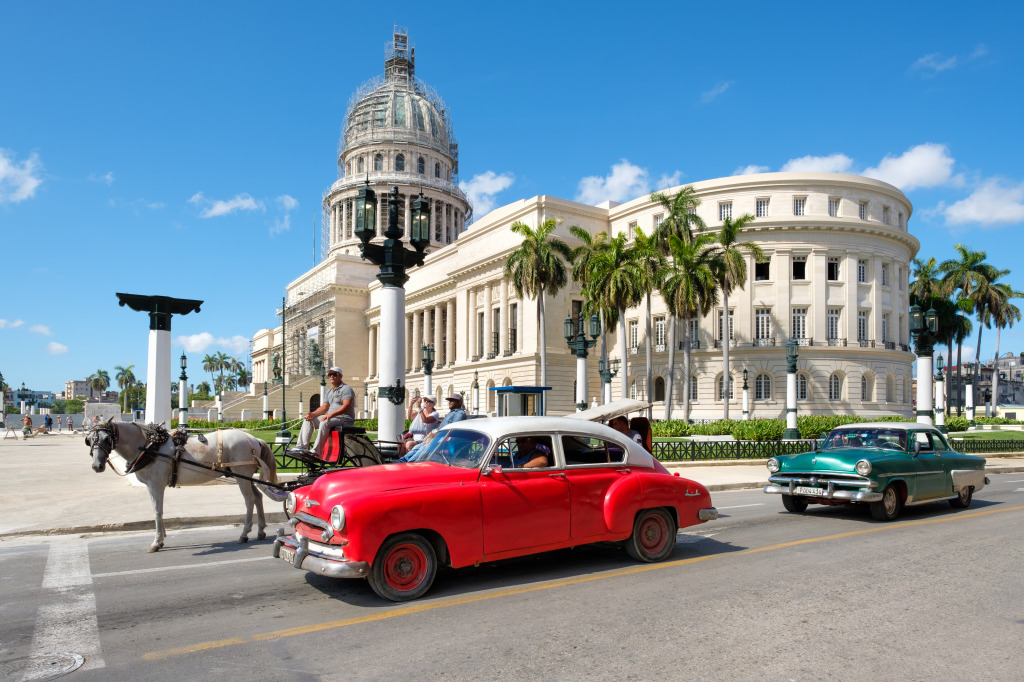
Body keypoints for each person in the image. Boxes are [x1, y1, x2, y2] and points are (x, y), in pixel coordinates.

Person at [293, 366, 355, 457]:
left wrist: (331, 414)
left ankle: (316, 451)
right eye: (330, 374)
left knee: (325, 422)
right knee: (308, 420)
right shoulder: (330, 391)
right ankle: (301, 447)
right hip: (332, 417)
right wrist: (313, 414)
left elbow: (347, 406)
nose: (332, 376)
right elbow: (324, 407)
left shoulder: (346, 389)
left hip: (345, 419)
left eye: (334, 374)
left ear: (340, 376)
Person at [399, 394, 468, 462]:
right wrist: (431, 433)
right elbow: (439, 427)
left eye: (452, 401)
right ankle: (402, 460)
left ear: (459, 402)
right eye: (449, 401)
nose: (449, 402)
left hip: (442, 438)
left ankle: (409, 463)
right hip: (436, 437)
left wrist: (436, 435)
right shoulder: (451, 413)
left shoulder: (460, 413)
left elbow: (452, 428)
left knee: (423, 448)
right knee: (418, 447)